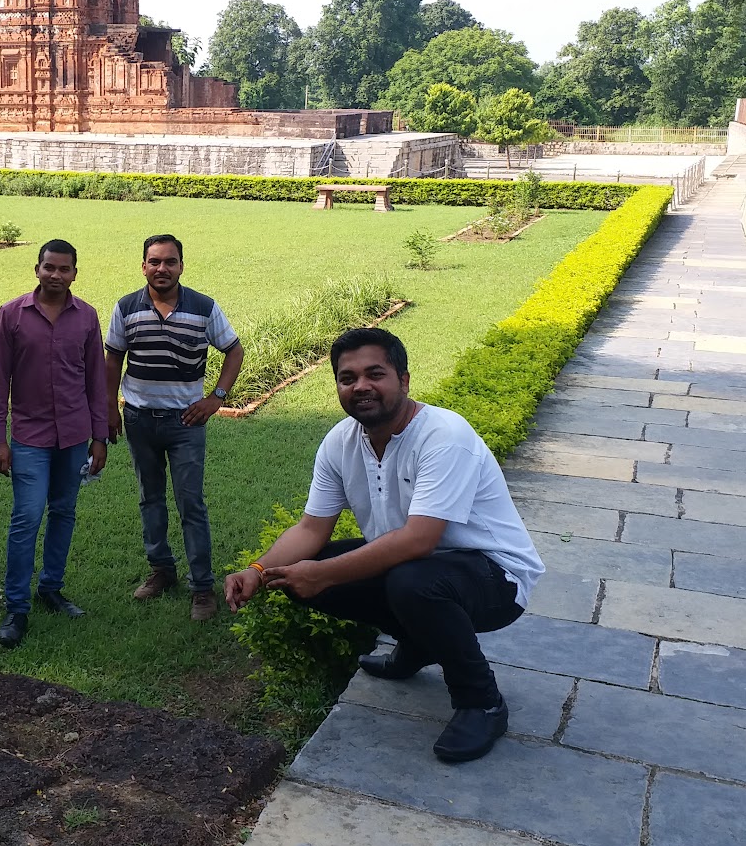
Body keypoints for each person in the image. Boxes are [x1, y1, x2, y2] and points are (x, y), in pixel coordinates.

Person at [224, 327, 543, 763]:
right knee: (301, 571)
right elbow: (311, 529)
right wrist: (257, 572)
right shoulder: (340, 442)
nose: (361, 387)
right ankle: (419, 643)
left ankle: (481, 702)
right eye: (347, 378)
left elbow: (419, 539)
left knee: (405, 582)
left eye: (375, 373)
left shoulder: (443, 436)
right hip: (414, 567)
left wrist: (321, 575)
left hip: (494, 577)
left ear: (404, 380)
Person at [105, 233, 244, 621]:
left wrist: (216, 397)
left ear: (182, 265)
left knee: (191, 503)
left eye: (169, 261)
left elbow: (234, 350)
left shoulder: (203, 307)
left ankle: (202, 587)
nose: (161, 268)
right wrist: (109, 409)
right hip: (139, 419)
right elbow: (113, 358)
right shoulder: (126, 307)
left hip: (186, 422)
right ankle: (161, 571)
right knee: (150, 498)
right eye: (154, 261)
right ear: (143, 266)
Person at [0, 239, 109, 648]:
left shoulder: (87, 317)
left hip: (73, 437)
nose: (56, 275)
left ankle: (50, 587)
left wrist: (100, 437)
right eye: (49, 268)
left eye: (64, 269)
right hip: (29, 438)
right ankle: (16, 607)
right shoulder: (12, 315)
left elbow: (96, 381)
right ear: (36, 269)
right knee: (27, 517)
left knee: (64, 512)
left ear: (75, 273)